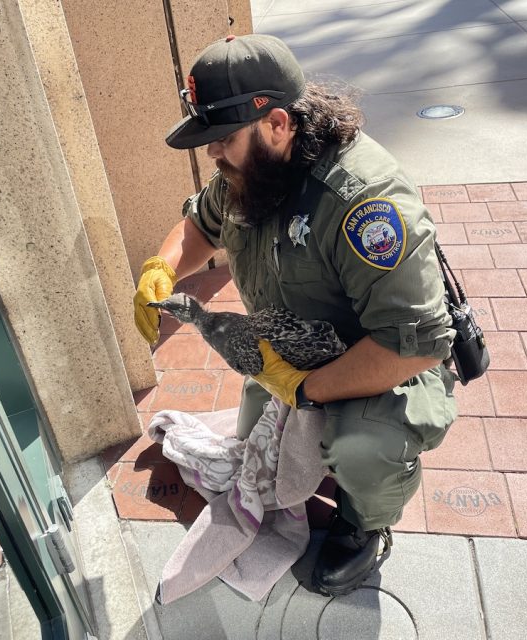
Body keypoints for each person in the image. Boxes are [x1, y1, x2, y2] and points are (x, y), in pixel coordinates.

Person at [133, 33, 457, 597]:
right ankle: (310, 436)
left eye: (223, 139)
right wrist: (161, 269)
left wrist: (307, 390)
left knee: (362, 450)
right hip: (296, 354)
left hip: (381, 360)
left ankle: (365, 524)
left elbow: (418, 344)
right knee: (256, 431)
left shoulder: (363, 203)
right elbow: (199, 227)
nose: (213, 155)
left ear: (278, 123)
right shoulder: (251, 172)